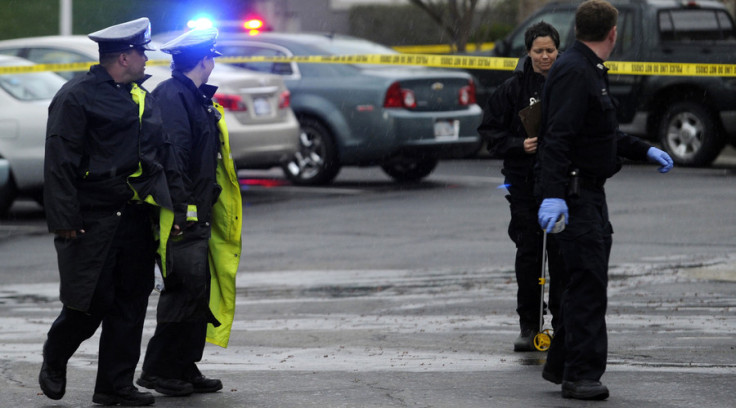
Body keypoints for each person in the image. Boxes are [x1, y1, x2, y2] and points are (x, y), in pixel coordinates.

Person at [39, 17, 185, 406]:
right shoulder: (77, 96)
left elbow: (159, 154)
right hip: (93, 218)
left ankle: (114, 386)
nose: (145, 61)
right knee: (90, 302)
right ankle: (56, 354)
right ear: (124, 56)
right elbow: (59, 161)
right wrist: (65, 219)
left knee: (131, 302)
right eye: (141, 54)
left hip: (136, 216)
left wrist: (175, 207)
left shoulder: (139, 95)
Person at [535, 0, 674, 401]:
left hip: (586, 192)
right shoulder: (577, 72)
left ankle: (562, 364)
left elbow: (598, 134)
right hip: (576, 197)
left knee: (578, 284)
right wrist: (554, 195)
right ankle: (581, 376)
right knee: (587, 287)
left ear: (577, 29)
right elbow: (558, 137)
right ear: (613, 34)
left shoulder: (586, 69)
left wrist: (642, 149)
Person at [137, 28, 243, 397]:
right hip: (183, 211)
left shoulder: (193, 97)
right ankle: (158, 370)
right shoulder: (174, 97)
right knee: (182, 289)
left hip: (199, 208)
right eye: (212, 57)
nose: (213, 62)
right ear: (205, 61)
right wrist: (184, 210)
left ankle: (184, 364)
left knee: (198, 288)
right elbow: (174, 157)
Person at [478, 21, 564, 352]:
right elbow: (489, 132)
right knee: (529, 253)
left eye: (551, 51)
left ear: (558, 50)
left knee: (560, 254)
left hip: (559, 184)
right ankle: (529, 325)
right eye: (539, 51)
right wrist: (519, 145)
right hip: (523, 183)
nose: (545, 57)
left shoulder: (569, 83)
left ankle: (561, 323)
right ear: (528, 52)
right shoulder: (511, 90)